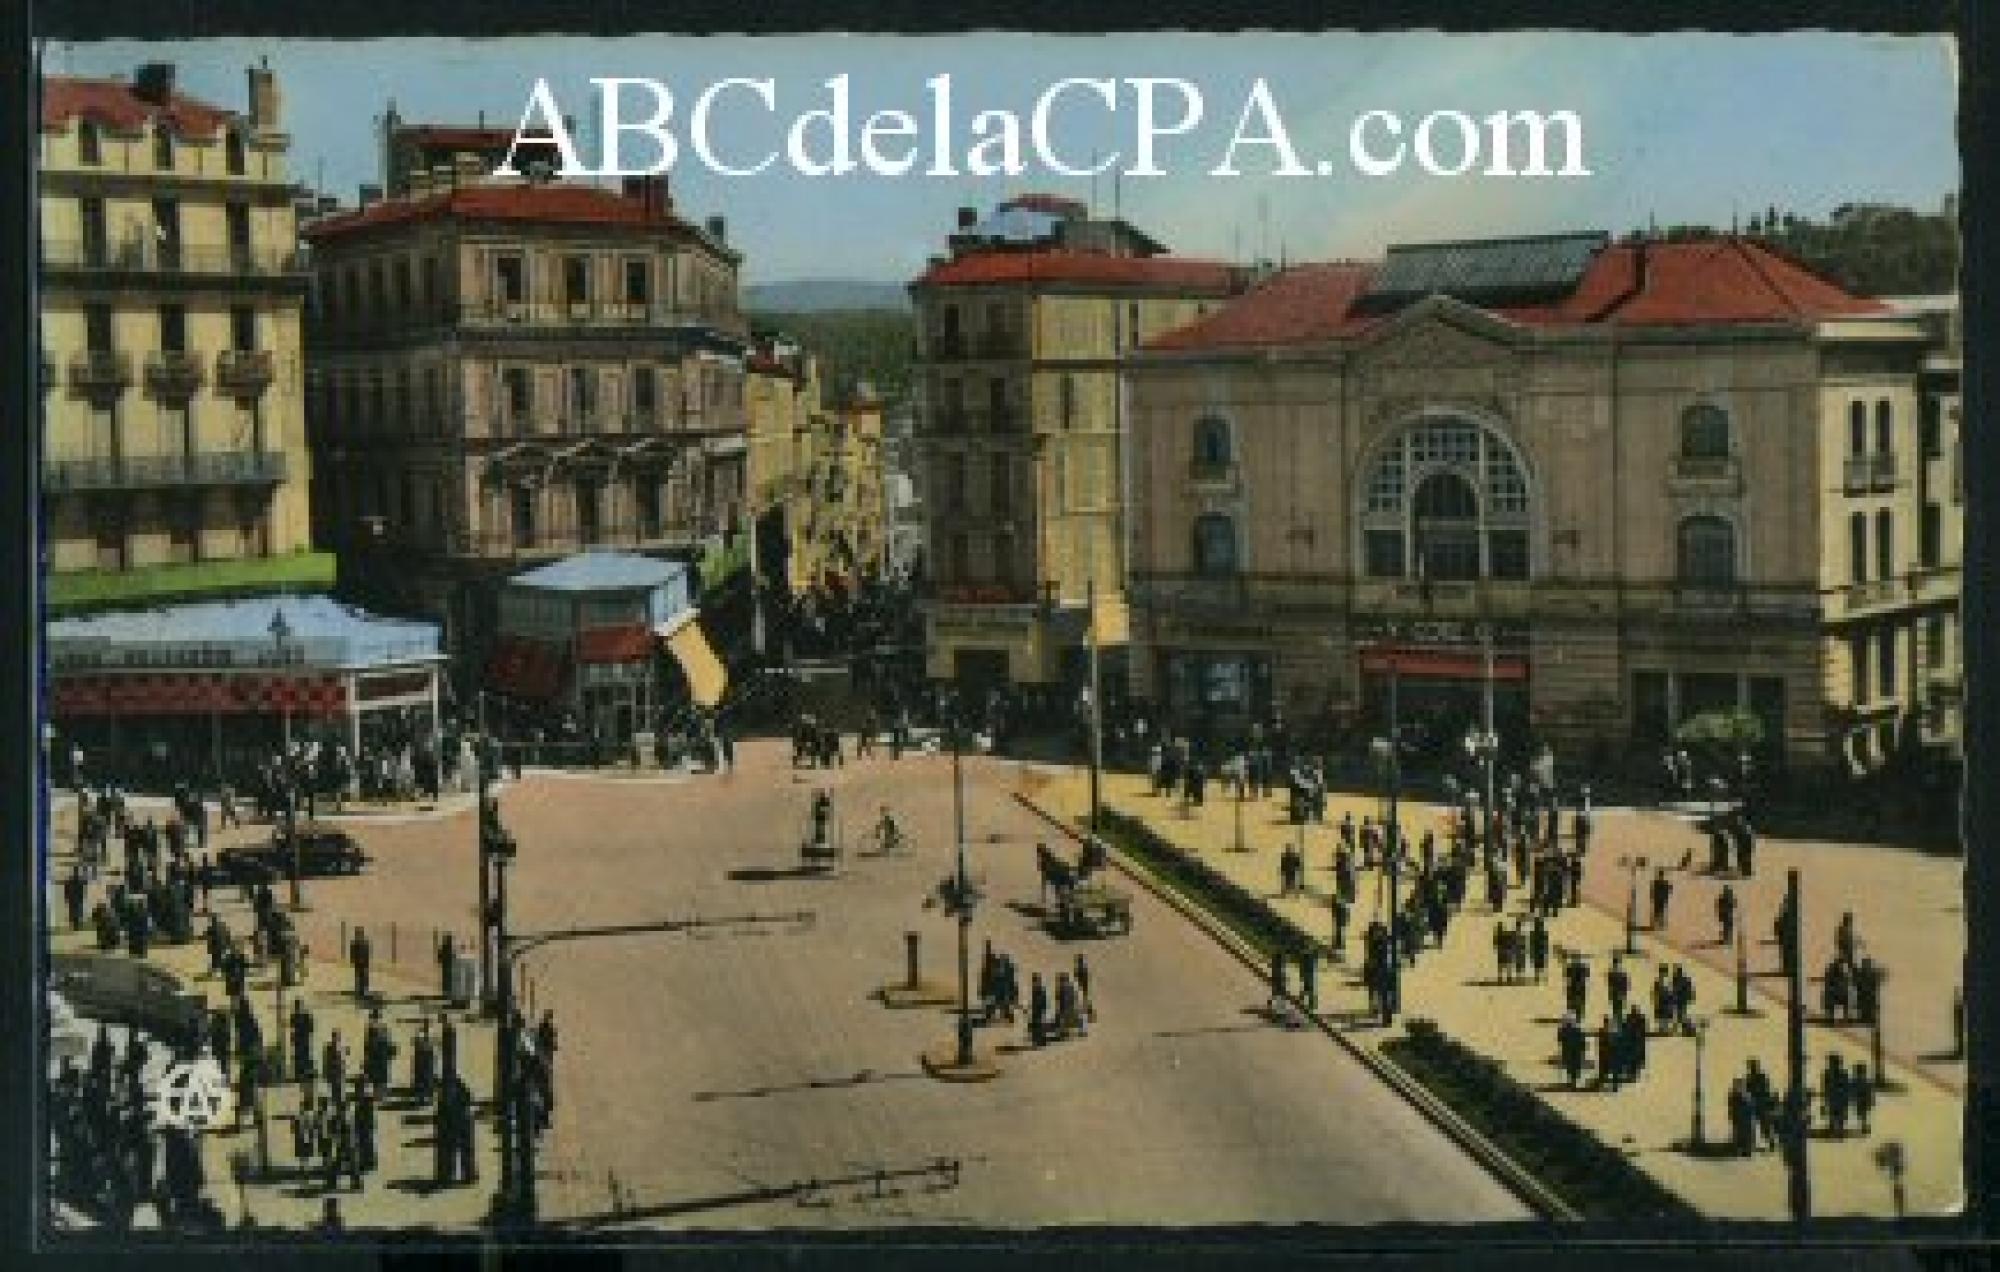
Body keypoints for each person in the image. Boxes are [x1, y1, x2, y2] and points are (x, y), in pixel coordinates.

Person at [1822, 1054, 1852, 1137]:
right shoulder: (1830, 1074)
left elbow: (1846, 1087)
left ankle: (1837, 1130)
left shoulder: (1830, 1074)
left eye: (1831, 1062)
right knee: (1834, 1114)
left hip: (1837, 1097)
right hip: (1835, 1097)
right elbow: (1825, 1087)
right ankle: (1835, 1129)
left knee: (1837, 1114)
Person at [1727, 1078, 1758, 1156]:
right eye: (1737, 1086)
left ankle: (1746, 1149)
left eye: (1740, 1085)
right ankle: (1740, 1149)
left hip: (1745, 1119)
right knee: (1739, 1134)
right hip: (1740, 1119)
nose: (1739, 1087)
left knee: (1745, 1134)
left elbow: (1751, 1108)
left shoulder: (1746, 1096)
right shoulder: (1735, 1096)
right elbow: (1732, 1107)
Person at [1557, 1014, 1587, 1088]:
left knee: (1571, 1066)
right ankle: (1573, 1081)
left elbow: (1560, 1039)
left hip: (1571, 1050)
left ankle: (1572, 1081)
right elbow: (1582, 1041)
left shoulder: (1565, 1030)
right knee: (1572, 1066)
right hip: (1574, 1050)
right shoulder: (1576, 1030)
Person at [1852, 1065, 1876, 1134]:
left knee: (1862, 1115)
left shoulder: (1856, 1082)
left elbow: (1869, 1092)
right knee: (1862, 1115)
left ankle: (1863, 1127)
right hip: (1862, 1101)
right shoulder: (1864, 1082)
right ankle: (1863, 1127)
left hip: (1861, 1101)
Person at [350, 927, 372, 1000]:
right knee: (358, 977)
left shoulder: (365, 943)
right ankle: (359, 991)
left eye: (360, 934)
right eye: (357, 934)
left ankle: (364, 991)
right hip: (358, 963)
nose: (359, 935)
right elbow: (352, 953)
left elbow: (367, 953)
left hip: (364, 963)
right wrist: (353, 961)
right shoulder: (354, 943)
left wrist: (366, 961)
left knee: (364, 977)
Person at [1607, 954, 1630, 1021]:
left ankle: (1617, 1020)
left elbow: (1610, 985)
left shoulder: (1612, 973)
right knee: (1618, 1009)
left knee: (1616, 1009)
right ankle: (1618, 1020)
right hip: (1618, 994)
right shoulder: (1620, 974)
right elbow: (1626, 984)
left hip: (1615, 994)